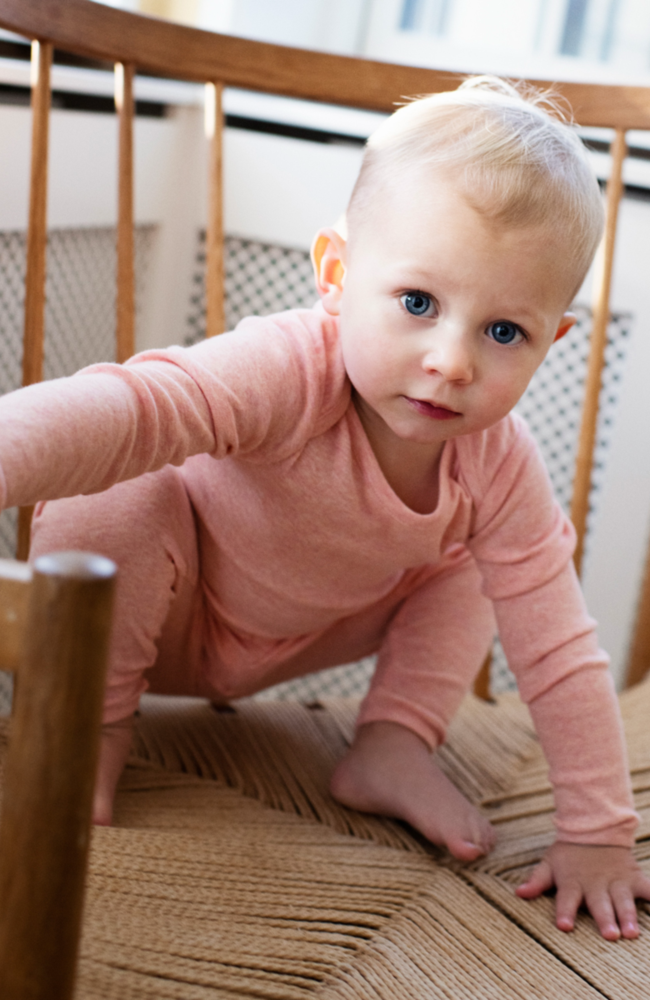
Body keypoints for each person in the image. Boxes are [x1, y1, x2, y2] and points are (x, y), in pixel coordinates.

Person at [1, 76, 648, 940]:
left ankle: (394, 742)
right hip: (162, 608)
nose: (452, 361)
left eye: (504, 333)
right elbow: (132, 408)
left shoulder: (497, 462)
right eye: (418, 303)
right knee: (120, 484)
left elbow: (558, 644)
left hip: (306, 635)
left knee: (480, 557)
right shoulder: (288, 367)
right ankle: (90, 734)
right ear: (338, 276)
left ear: (552, 341)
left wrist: (599, 834)